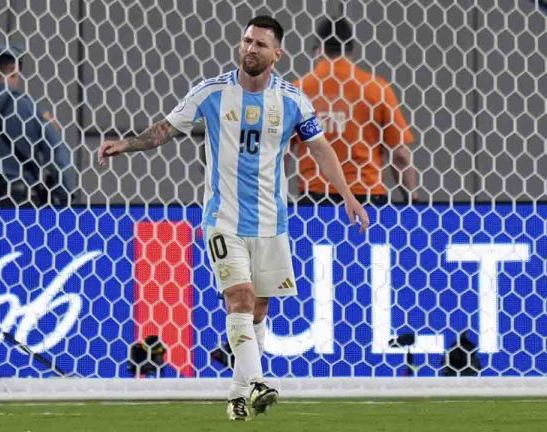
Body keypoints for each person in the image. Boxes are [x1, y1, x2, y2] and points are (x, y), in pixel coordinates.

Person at [99, 16, 369, 420]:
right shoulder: (211, 93)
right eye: (246, 41)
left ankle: (238, 394)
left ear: (277, 53)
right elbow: (164, 131)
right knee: (239, 299)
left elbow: (320, 148)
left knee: (258, 311)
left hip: (271, 223)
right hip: (222, 220)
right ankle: (259, 383)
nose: (250, 49)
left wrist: (347, 195)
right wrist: (126, 144)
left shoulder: (293, 101)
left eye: (261, 44)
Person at [294, 18, 418, 205]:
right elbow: (400, 156)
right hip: (366, 198)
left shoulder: (299, 90)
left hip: (315, 200)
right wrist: (413, 199)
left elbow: (283, 152)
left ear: (319, 48)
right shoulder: (376, 88)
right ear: (350, 48)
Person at [0, 43, 76, 207]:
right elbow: (58, 153)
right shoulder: (29, 108)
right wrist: (65, 195)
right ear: (12, 69)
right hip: (23, 206)